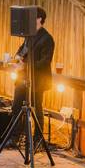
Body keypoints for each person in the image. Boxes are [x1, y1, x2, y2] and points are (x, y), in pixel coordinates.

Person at [11, 7, 56, 144]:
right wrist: (17, 57)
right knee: (16, 106)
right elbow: (21, 49)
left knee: (37, 109)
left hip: (37, 80)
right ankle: (15, 137)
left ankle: (38, 140)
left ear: (39, 19)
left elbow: (45, 61)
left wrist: (26, 66)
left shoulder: (47, 38)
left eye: (32, 17)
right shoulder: (29, 35)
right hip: (22, 78)